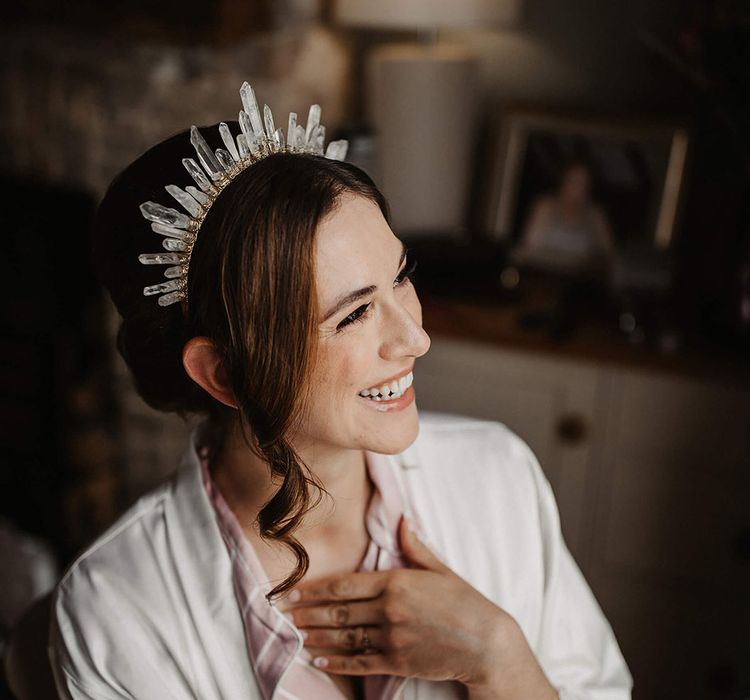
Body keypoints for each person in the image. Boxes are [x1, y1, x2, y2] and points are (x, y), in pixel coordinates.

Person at [48, 83, 633, 699]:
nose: (415, 338)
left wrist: (497, 658)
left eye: (401, 277)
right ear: (222, 372)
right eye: (353, 315)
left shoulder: (498, 477)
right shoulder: (115, 613)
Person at [511, 160, 617, 284]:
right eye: (572, 181)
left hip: (578, 282)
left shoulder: (596, 215)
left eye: (583, 183)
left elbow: (607, 255)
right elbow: (529, 247)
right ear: (563, 181)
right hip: (541, 276)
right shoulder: (545, 206)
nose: (576, 188)